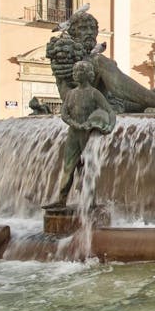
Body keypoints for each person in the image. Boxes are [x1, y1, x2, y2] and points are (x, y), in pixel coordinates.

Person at [45, 60, 116, 209]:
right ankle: (61, 199)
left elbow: (110, 111)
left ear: (88, 75)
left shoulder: (94, 93)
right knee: (68, 168)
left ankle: (90, 200)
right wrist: (74, 124)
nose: (75, 75)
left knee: (89, 167)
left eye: (79, 72)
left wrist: (109, 126)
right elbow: (64, 114)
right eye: (75, 72)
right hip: (73, 134)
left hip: (88, 135)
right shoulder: (71, 94)